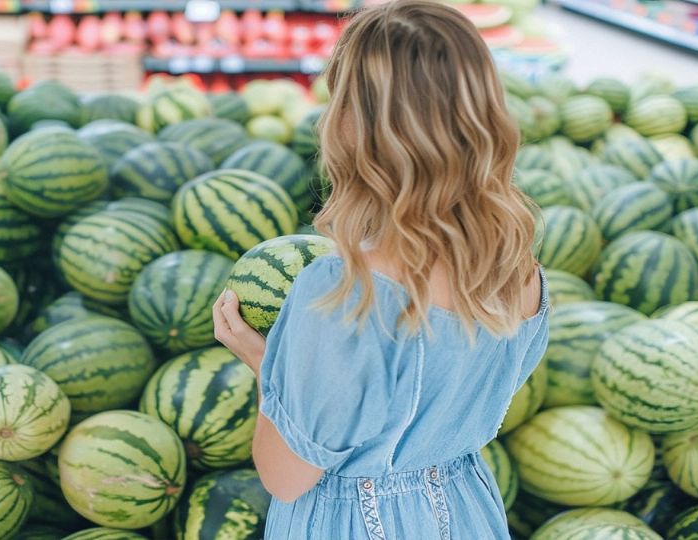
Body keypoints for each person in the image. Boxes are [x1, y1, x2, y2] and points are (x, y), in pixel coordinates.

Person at [212, 1, 549, 538]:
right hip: (467, 513)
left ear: (354, 125)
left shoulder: (345, 290)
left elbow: (286, 477)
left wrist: (263, 360)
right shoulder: (516, 264)